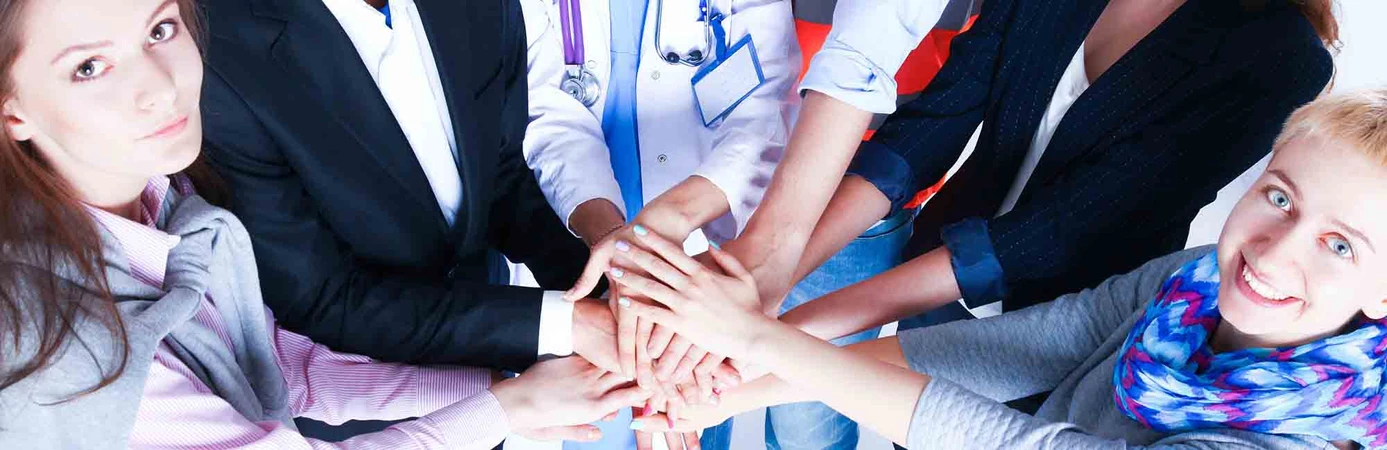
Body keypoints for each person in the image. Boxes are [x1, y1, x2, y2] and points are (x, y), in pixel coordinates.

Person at [0, 0, 648, 448]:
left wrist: (513, 383)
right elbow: (317, 312)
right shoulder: (49, 338)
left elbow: (278, 367)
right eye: (88, 67)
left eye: (161, 29)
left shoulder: (166, 200)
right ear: (12, 112)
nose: (158, 88)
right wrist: (510, 400)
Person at [610, 88, 1387, 449]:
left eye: (1341, 244)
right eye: (1279, 198)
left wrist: (762, 343)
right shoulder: (1187, 281)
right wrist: (725, 390)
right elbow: (1019, 347)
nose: (1277, 250)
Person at [195, 0, 622, 388]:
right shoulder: (220, 56)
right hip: (357, 411)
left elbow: (500, 174)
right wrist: (564, 323)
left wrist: (614, 295)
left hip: (494, 386)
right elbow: (319, 299)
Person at [520, 0, 799, 446]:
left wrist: (661, 233)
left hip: (700, 237)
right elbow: (547, 112)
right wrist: (618, 247)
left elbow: (762, 114)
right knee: (598, 417)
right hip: (581, 233)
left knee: (688, 405)